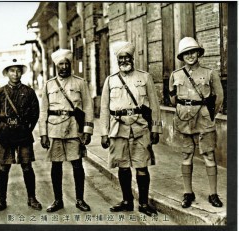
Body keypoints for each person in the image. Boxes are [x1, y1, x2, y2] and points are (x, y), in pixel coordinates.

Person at [100, 41, 162, 217]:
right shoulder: (110, 80)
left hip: (140, 128)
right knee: (123, 167)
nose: (124, 60)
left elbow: (155, 106)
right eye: (121, 57)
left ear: (132, 58)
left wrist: (156, 129)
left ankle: (143, 203)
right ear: (117, 60)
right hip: (118, 129)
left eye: (127, 57)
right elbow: (104, 108)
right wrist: (104, 133)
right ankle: (127, 201)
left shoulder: (145, 77)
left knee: (142, 166)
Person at [169, 37, 224, 208]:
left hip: (204, 118)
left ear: (198, 53)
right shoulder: (175, 75)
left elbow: (219, 98)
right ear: (182, 56)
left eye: (193, 52)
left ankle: (213, 194)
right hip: (184, 119)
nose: (190, 56)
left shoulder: (210, 73)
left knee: (208, 154)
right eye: (186, 53)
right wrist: (183, 110)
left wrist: (209, 114)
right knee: (186, 155)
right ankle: (188, 192)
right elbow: (172, 99)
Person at [39, 49, 94, 212]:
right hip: (54, 129)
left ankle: (80, 199)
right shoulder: (49, 84)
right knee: (56, 166)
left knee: (77, 164)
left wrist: (88, 130)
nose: (64, 67)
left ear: (71, 65)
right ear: (56, 66)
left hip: (74, 129)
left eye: (66, 64)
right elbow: (43, 110)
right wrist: (43, 133)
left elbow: (88, 107)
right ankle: (58, 200)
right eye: (61, 64)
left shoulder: (79, 83)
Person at [0, 58, 42, 211]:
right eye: (12, 70)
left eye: (18, 70)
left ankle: (31, 198)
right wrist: (3, 125)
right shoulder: (0, 93)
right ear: (7, 73)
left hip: (23, 132)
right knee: (4, 167)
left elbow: (35, 114)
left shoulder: (28, 92)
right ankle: (1, 200)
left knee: (27, 166)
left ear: (21, 73)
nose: (15, 73)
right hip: (5, 134)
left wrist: (27, 128)